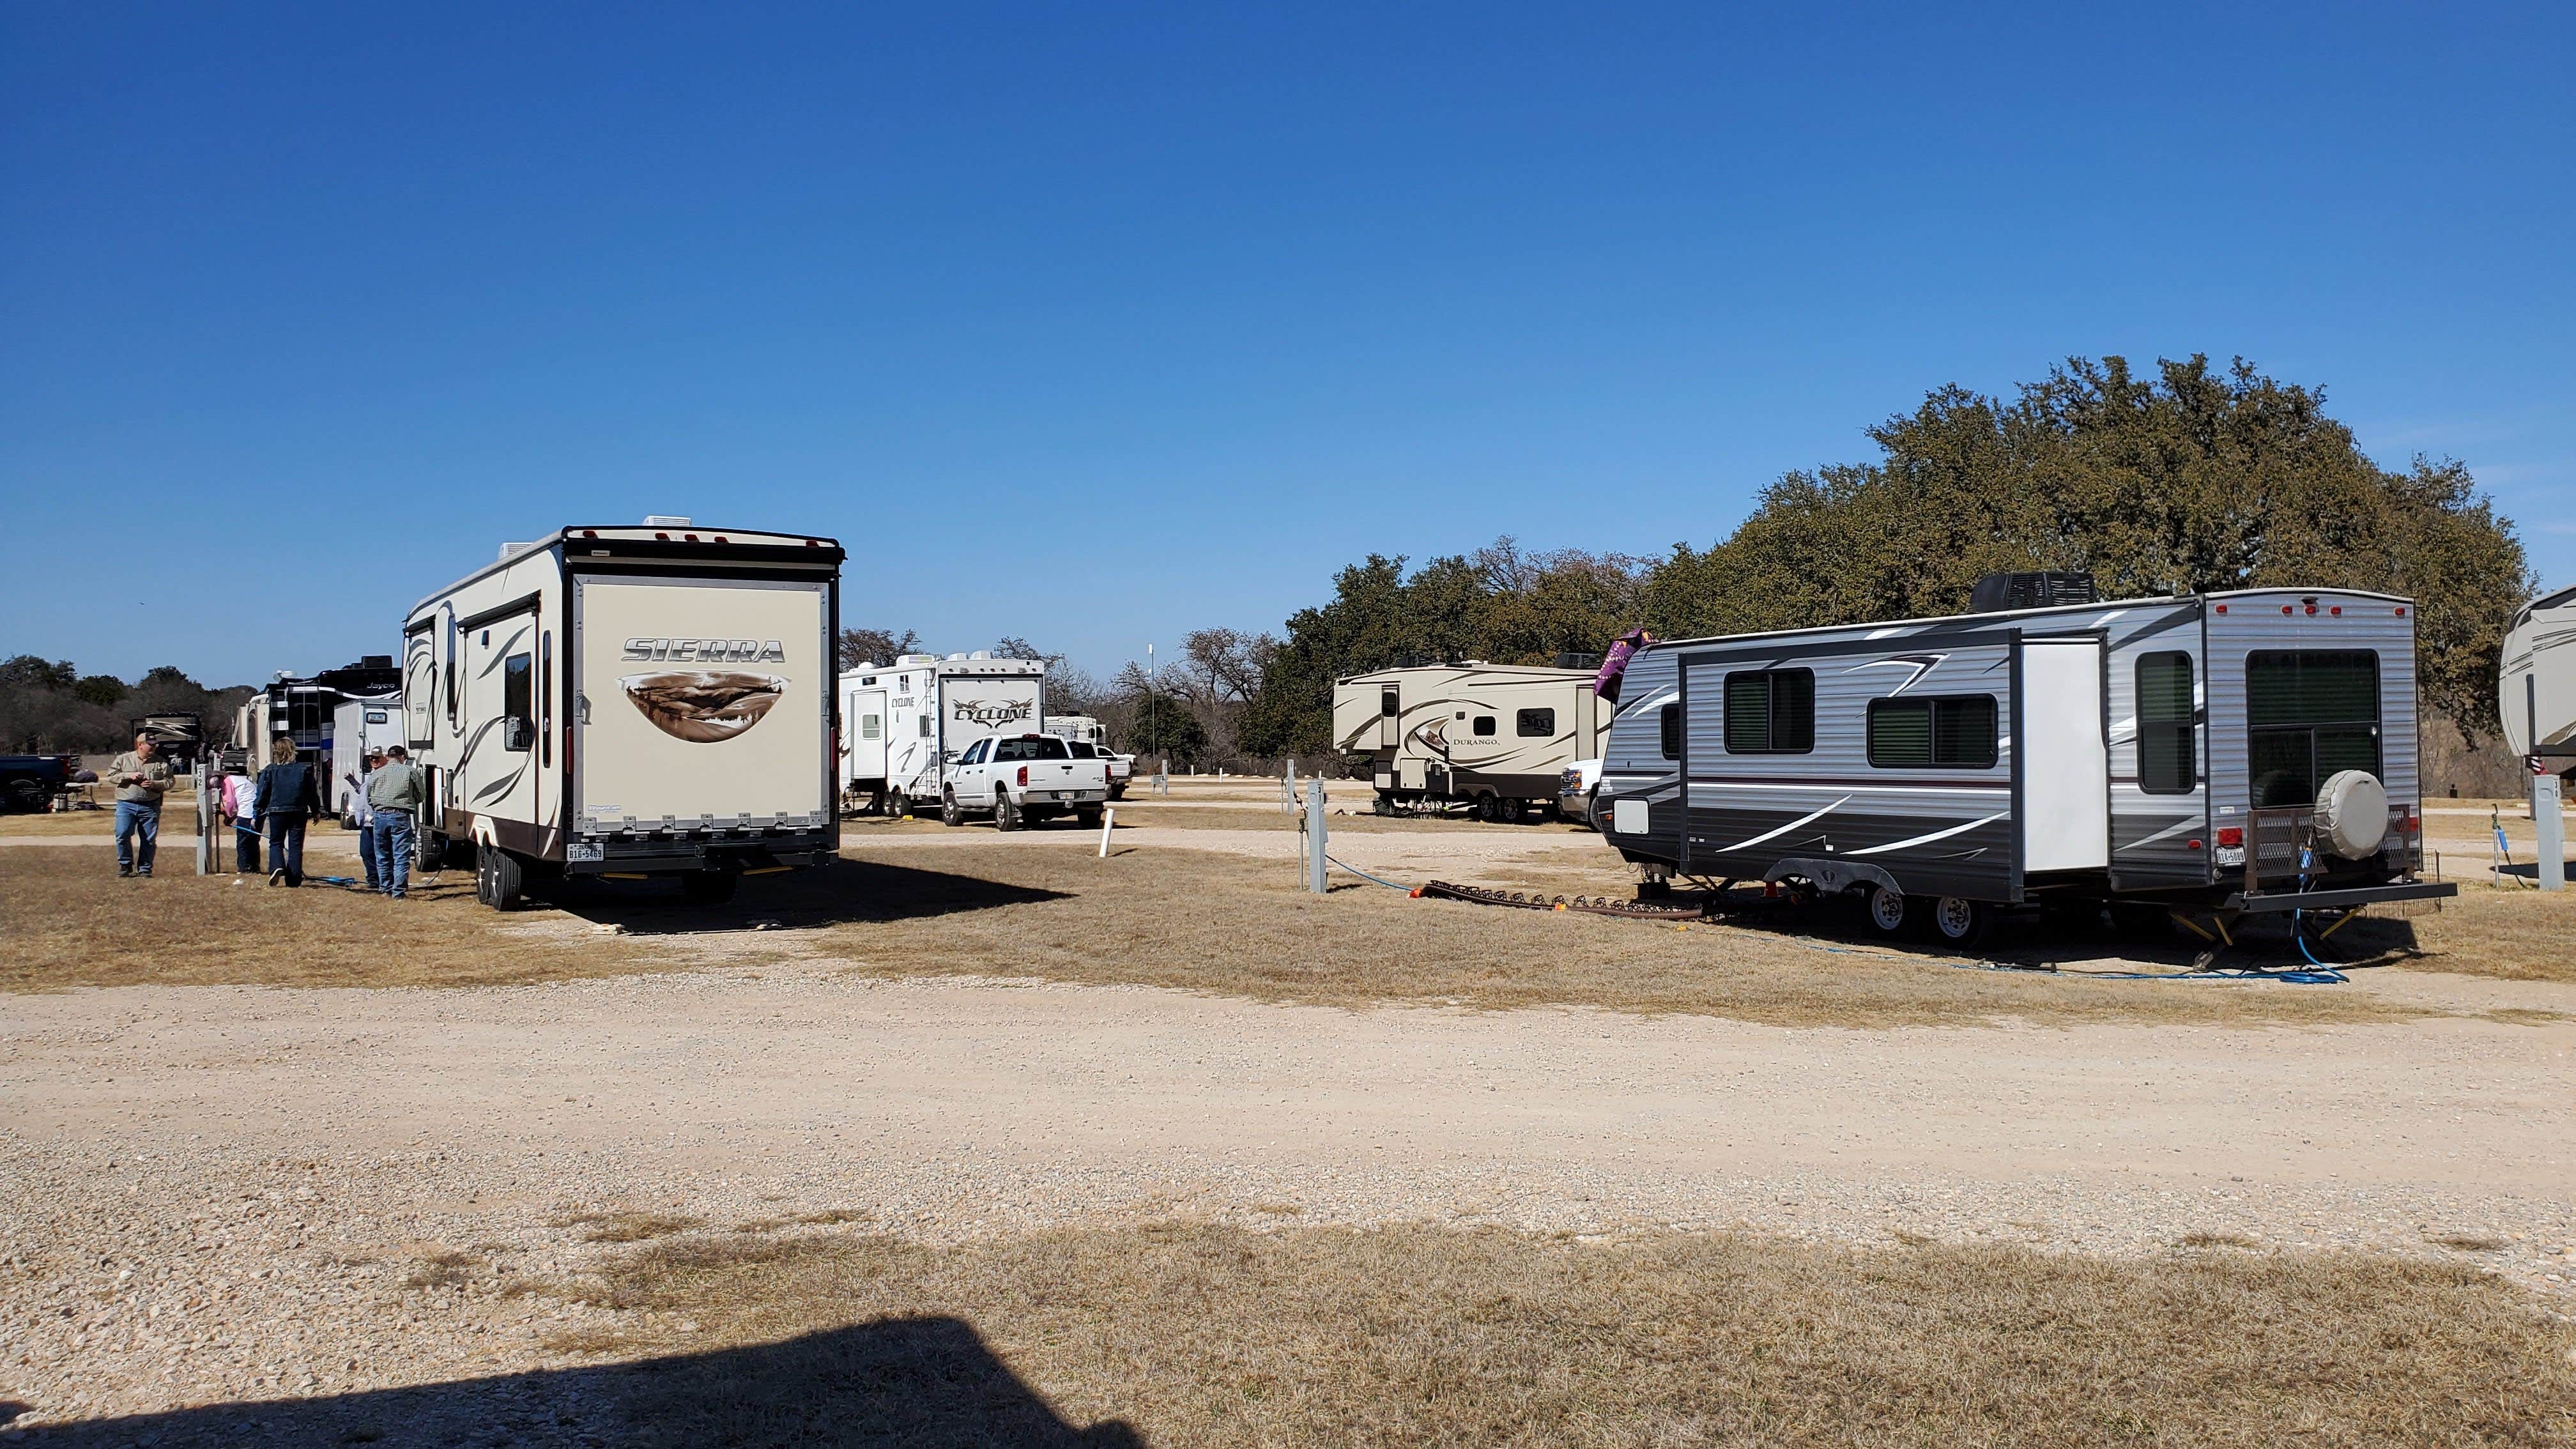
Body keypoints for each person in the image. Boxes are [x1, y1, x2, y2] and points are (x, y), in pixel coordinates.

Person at [254, 735, 322, 887]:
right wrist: (316, 810)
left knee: (276, 842)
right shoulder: (304, 769)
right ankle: (294, 879)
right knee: (296, 846)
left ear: (276, 752)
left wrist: (257, 809)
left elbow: (263, 792)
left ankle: (277, 866)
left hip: (277, 811)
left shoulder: (270, 770)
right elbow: (312, 792)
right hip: (298, 811)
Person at [367, 744, 427, 900]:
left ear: (388, 757)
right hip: (400, 816)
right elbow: (422, 794)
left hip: (380, 816)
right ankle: (398, 892)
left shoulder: (377, 773)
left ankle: (385, 888)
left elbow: (369, 797)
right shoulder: (410, 772)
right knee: (401, 855)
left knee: (382, 854)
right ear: (402, 757)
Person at [106, 731, 171, 878]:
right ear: (140, 745)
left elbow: (169, 781)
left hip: (150, 805)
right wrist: (129, 776)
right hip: (126, 804)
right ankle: (125, 865)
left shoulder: (161, 762)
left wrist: (154, 784)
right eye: (151, 745)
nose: (154, 747)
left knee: (148, 838)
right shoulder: (123, 759)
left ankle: (145, 869)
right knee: (122, 833)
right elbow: (111, 777)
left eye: (155, 745)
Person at [346, 748, 384, 891]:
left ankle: (383, 881)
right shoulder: (372, 776)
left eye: (377, 758)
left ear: (385, 759)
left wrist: (374, 817)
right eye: (372, 758)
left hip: (377, 821)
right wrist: (351, 780)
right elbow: (362, 792)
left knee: (380, 852)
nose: (374, 761)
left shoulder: (383, 776)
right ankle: (373, 880)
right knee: (366, 852)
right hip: (366, 823)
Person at [220, 762, 261, 873]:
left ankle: (244, 867)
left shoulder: (226, 782)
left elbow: (229, 803)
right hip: (256, 811)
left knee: (243, 841)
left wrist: (225, 814)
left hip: (247, 812)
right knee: (253, 841)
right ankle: (255, 866)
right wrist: (231, 818)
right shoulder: (237, 780)